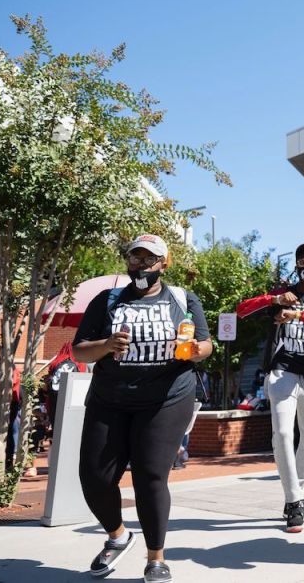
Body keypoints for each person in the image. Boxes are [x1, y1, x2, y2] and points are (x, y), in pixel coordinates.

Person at [72, 234, 212, 583]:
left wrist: (197, 350)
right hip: (111, 398)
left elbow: (207, 343)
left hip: (166, 398)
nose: (141, 265)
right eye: (135, 257)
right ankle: (118, 536)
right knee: (94, 478)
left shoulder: (182, 298)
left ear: (164, 263)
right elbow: (79, 351)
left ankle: (156, 559)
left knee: (150, 476)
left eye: (149, 259)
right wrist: (105, 345)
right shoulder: (107, 301)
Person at [237, 242, 304, 533]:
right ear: (296, 266)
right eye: (302, 260)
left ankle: (297, 495)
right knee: (284, 433)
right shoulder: (281, 294)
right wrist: (274, 300)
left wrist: (297, 314)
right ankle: (293, 501)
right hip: (282, 373)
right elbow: (241, 310)